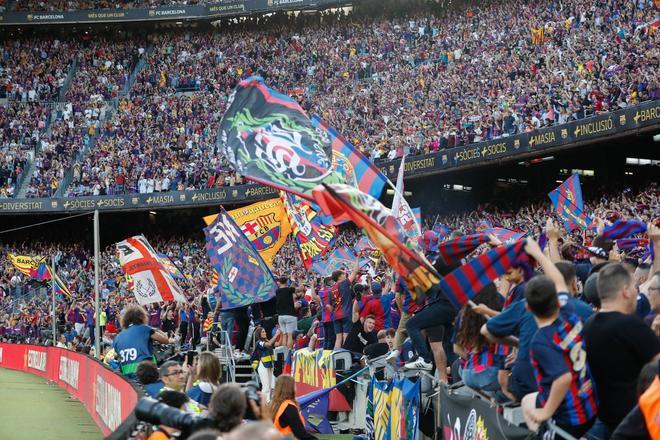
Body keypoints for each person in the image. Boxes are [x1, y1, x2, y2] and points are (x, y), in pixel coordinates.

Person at [520, 249, 598, 438]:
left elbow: (562, 379)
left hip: (568, 417)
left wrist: (545, 412)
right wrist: (537, 253)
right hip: (589, 403)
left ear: (528, 307)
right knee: (528, 400)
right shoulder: (569, 311)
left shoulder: (541, 340)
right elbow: (559, 280)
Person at [584, 263, 660, 437]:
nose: (637, 292)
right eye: (635, 288)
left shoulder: (588, 325)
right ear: (625, 291)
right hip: (636, 420)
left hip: (603, 417)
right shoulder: (631, 326)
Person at [453, 284, 504, 394]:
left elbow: (456, 349)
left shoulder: (463, 315)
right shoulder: (498, 314)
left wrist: (473, 360)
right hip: (489, 374)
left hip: (467, 373)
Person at [113, 304, 172, 377]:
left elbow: (116, 354)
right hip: (145, 374)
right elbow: (166, 340)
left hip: (127, 377)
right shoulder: (145, 329)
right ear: (141, 316)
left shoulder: (118, 337)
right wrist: (156, 329)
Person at [270, 375, 316, 439]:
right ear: (290, 388)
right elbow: (301, 434)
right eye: (294, 386)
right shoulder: (289, 407)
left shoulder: (274, 405)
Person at [330, 257, 360, 349]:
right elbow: (355, 272)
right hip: (346, 314)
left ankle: (336, 356)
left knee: (338, 338)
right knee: (346, 336)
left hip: (336, 316)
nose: (345, 274)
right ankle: (345, 355)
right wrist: (358, 257)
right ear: (339, 277)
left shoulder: (331, 289)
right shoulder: (344, 284)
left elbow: (330, 305)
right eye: (343, 274)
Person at [253, 325, 278, 401]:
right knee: (266, 387)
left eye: (265, 331)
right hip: (263, 365)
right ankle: (264, 404)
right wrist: (277, 334)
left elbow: (277, 344)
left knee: (272, 386)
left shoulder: (267, 340)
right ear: (259, 334)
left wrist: (282, 334)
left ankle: (269, 403)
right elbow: (269, 344)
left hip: (270, 365)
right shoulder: (259, 342)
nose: (265, 333)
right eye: (263, 332)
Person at [276, 277, 297, 350]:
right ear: (286, 282)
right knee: (290, 335)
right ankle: (289, 352)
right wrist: (293, 281)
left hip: (280, 316)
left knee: (284, 335)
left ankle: (284, 353)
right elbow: (293, 288)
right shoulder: (289, 290)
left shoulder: (277, 291)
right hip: (290, 315)